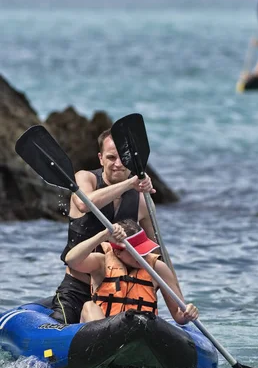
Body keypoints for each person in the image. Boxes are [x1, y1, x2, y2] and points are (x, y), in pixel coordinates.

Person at [51, 127, 156, 324]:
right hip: (77, 288)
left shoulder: (142, 202)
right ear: (101, 158)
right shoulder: (85, 179)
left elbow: (154, 253)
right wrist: (130, 182)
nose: (118, 164)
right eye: (111, 157)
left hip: (118, 292)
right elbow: (85, 203)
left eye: (123, 158)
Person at [65, 219, 199, 325]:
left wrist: (187, 314)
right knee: (89, 307)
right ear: (117, 252)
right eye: (137, 253)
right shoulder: (101, 263)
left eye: (146, 251)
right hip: (104, 332)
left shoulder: (158, 268)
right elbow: (71, 260)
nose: (144, 256)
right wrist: (103, 235)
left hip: (141, 333)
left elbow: (178, 315)